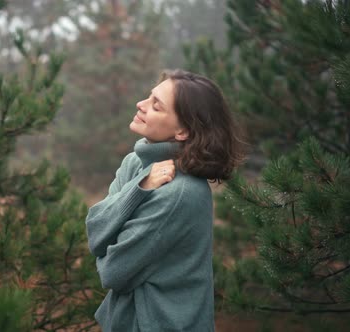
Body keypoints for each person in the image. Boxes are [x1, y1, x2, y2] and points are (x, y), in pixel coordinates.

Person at [85, 69, 245, 331]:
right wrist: (139, 189)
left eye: (156, 106)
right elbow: (96, 230)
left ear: (182, 131)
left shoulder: (179, 193)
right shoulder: (135, 163)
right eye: (149, 97)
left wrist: (108, 245)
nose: (141, 104)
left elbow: (112, 271)